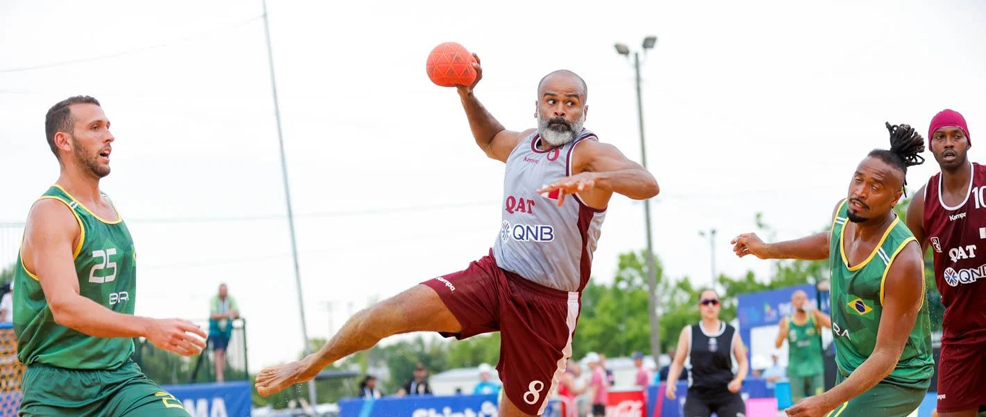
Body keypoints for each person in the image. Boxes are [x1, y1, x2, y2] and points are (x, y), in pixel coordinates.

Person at [254, 55, 659, 416]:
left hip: (546, 305)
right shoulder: (521, 144)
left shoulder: (588, 152)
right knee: (385, 315)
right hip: (494, 276)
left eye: (570, 103)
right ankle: (311, 363)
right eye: (551, 100)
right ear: (537, 106)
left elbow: (646, 182)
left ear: (584, 111)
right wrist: (467, 95)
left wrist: (593, 178)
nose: (559, 110)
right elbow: (487, 139)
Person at [13, 96, 206, 415]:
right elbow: (64, 306)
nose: (109, 136)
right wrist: (148, 326)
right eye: (95, 127)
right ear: (64, 141)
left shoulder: (108, 207)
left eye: (108, 127)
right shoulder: (52, 212)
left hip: (119, 379)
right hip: (56, 389)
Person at [731, 122, 934, 416]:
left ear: (894, 199)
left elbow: (887, 355)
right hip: (851, 366)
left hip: (897, 378)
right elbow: (829, 242)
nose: (860, 192)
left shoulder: (903, 260)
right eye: (858, 180)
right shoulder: (844, 214)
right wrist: (767, 250)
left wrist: (827, 400)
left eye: (874, 186)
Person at [906, 109, 986, 417]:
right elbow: (906, 272)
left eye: (956, 136)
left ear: (968, 142)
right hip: (959, 331)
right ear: (931, 146)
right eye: (940, 137)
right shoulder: (921, 204)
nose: (949, 143)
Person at [664, 289, 748, 417]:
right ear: (699, 306)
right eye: (706, 302)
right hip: (698, 393)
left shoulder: (731, 332)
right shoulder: (689, 332)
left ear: (719, 306)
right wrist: (670, 383)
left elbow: (743, 362)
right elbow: (678, 362)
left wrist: (739, 379)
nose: (710, 305)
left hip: (726, 391)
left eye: (714, 302)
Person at [775, 289, 831, 402]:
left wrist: (814, 310)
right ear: (793, 303)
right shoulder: (786, 321)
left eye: (805, 298)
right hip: (796, 371)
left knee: (819, 403)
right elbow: (777, 345)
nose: (803, 301)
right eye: (799, 298)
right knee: (798, 406)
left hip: (815, 369)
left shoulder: (814, 317)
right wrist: (782, 335)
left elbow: (831, 325)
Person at [209, 283, 240, 383]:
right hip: (215, 330)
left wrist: (228, 314)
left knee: (222, 352)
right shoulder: (214, 300)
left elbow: (237, 313)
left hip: (226, 330)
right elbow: (213, 315)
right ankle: (219, 377)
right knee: (218, 352)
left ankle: (221, 374)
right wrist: (227, 314)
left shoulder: (231, 299)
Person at [582, 352, 609, 417]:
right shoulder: (599, 371)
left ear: (593, 363)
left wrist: (589, 405)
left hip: (598, 401)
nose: (588, 364)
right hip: (600, 401)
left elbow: (595, 390)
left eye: (589, 363)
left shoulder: (596, 373)